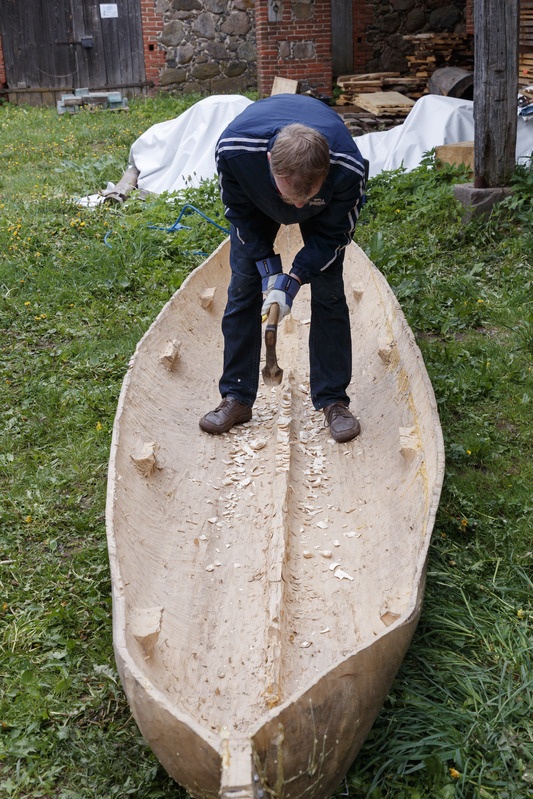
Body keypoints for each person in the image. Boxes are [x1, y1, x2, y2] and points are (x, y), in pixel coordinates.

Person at [199, 93, 367, 443]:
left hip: (325, 211)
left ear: (326, 170)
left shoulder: (347, 168)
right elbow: (240, 216)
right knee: (243, 288)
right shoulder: (235, 152)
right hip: (256, 201)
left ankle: (333, 399)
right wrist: (268, 268)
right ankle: (236, 396)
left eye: (309, 194)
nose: (300, 204)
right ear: (270, 160)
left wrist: (294, 278)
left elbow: (335, 237)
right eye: (293, 195)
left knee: (329, 292)